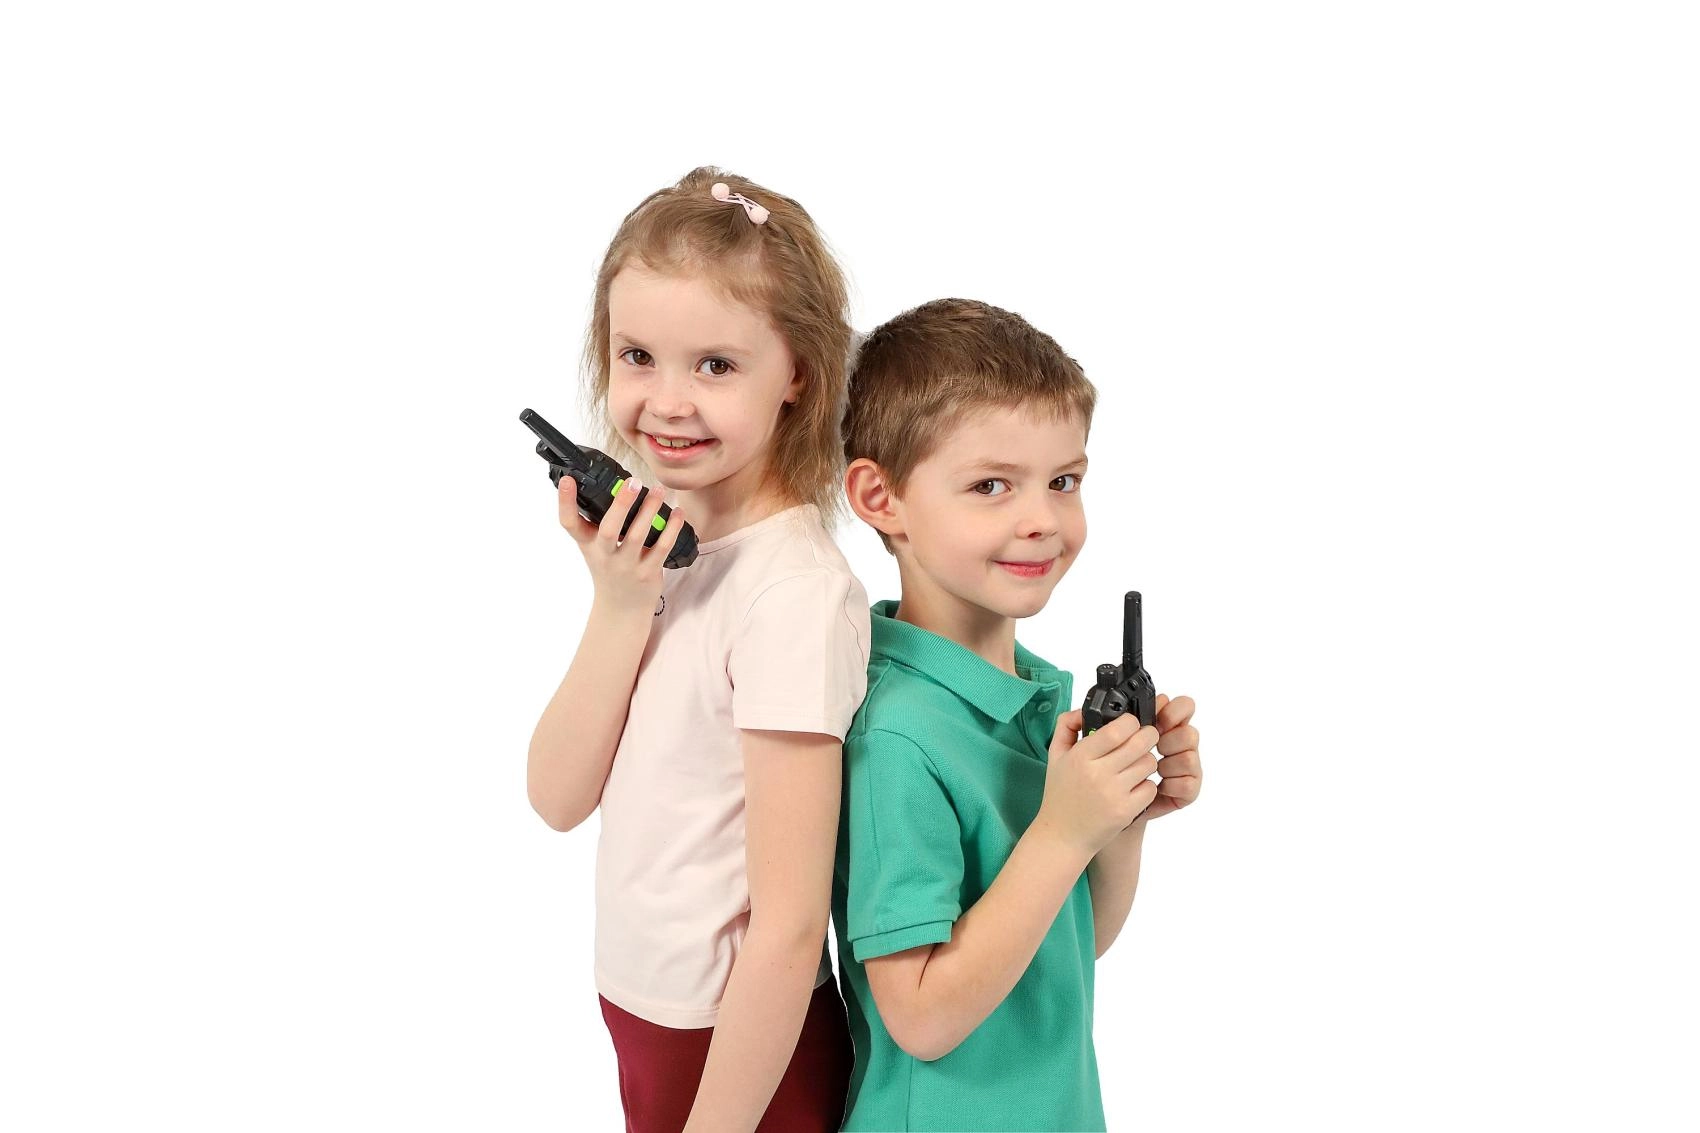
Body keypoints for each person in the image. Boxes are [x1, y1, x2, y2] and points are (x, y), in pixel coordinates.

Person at [527, 167, 869, 1133]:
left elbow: (790, 928)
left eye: (715, 365)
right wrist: (618, 602)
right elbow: (556, 796)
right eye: (638, 355)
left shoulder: (792, 596)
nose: (667, 402)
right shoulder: (657, 548)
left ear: (797, 373)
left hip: (740, 1048)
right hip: (645, 1010)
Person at [833, 297, 1205, 1130]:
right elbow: (921, 1016)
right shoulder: (895, 734)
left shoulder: (1032, 693)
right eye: (991, 485)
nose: (1041, 519)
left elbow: (1071, 944)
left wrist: (1119, 819)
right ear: (881, 496)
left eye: (1063, 481)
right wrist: (1064, 831)